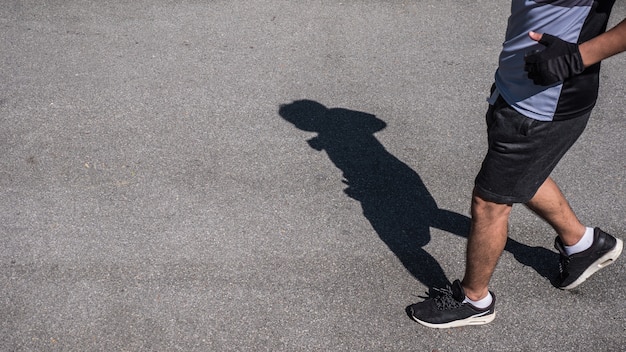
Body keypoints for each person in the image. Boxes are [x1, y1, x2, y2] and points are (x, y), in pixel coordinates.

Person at [408, 0, 626, 328]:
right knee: (523, 175)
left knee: (489, 202)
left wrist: (579, 56)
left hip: (544, 105)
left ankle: (474, 300)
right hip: (515, 90)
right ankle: (584, 244)